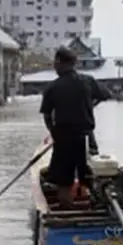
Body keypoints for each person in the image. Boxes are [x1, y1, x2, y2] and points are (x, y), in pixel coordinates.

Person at [39, 47, 111, 206]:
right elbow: (106, 95)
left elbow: (46, 115)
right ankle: (96, 208)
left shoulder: (53, 87)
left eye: (55, 63)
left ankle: (66, 212)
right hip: (86, 138)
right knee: (91, 177)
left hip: (63, 140)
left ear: (59, 62)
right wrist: (90, 105)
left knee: (63, 184)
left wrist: (54, 132)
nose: (54, 67)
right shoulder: (88, 81)